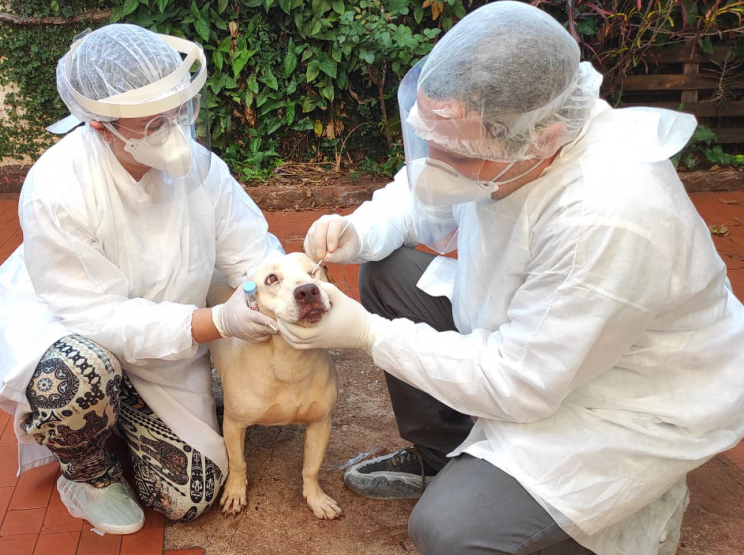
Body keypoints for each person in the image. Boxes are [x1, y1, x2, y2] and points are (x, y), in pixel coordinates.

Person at [278, 2, 744, 555]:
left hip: (625, 399)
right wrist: (357, 230)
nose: (433, 158)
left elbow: (521, 382)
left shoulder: (610, 214)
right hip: (535, 334)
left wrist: (371, 337)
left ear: (542, 139)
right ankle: (444, 457)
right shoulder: (514, 135)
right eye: (429, 136)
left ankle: (612, 505)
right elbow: (424, 190)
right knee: (387, 272)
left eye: (455, 150)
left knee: (449, 531)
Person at [0, 24, 283, 535]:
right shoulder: (57, 188)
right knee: (76, 376)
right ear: (99, 125)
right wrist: (219, 320)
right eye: (153, 122)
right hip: (75, 335)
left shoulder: (201, 170)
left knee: (191, 496)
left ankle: (123, 413)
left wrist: (281, 287)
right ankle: (88, 470)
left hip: (172, 343)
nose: (174, 131)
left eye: (179, 112)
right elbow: (99, 317)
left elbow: (251, 251)